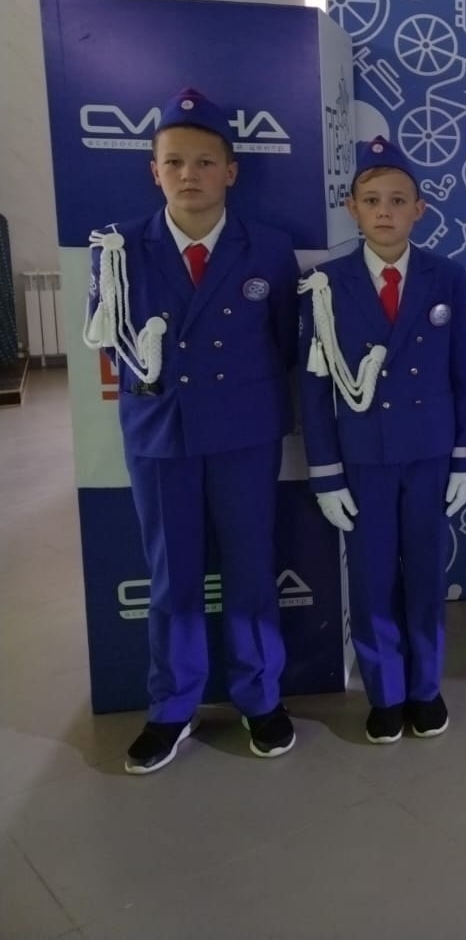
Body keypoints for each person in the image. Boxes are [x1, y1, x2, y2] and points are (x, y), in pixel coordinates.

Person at [83, 87, 299, 773]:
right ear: (154, 171)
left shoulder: (268, 249)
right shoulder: (118, 249)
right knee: (172, 576)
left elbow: (284, 346)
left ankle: (260, 698)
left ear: (230, 171)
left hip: (244, 433)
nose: (189, 174)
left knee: (251, 569)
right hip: (162, 434)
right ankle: (172, 707)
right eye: (174, 162)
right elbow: (111, 343)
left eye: (205, 162)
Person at [298, 137, 466, 743]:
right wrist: (325, 471)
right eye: (371, 199)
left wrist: (464, 458)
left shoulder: (446, 278)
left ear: (418, 210)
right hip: (364, 456)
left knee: (425, 576)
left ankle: (425, 688)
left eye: (398, 200)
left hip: (429, 454)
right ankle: (385, 693)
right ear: (351, 207)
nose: (384, 211)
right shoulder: (324, 285)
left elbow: (463, 372)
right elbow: (314, 387)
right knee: (372, 577)